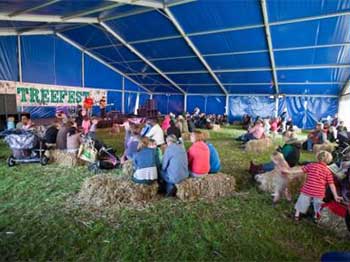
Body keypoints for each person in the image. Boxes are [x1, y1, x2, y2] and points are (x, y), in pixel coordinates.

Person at [281, 151, 343, 223]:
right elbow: (331, 184)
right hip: (319, 192)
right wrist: (336, 195)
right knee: (317, 206)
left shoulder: (311, 165)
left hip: (307, 190)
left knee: (301, 204)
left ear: (317, 157)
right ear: (329, 161)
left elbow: (299, 171)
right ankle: (316, 218)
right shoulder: (328, 171)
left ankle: (296, 217)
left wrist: (288, 171)